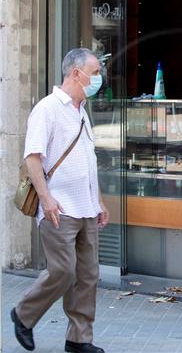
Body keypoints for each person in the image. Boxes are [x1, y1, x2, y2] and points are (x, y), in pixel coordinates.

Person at [10, 48, 109, 353]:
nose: (98, 79)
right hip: (59, 209)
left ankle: (79, 340)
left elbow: (86, 163)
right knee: (63, 271)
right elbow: (33, 158)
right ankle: (23, 314)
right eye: (94, 73)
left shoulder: (81, 112)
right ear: (75, 74)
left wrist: (100, 202)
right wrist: (46, 199)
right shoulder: (48, 108)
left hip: (86, 209)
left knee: (87, 276)